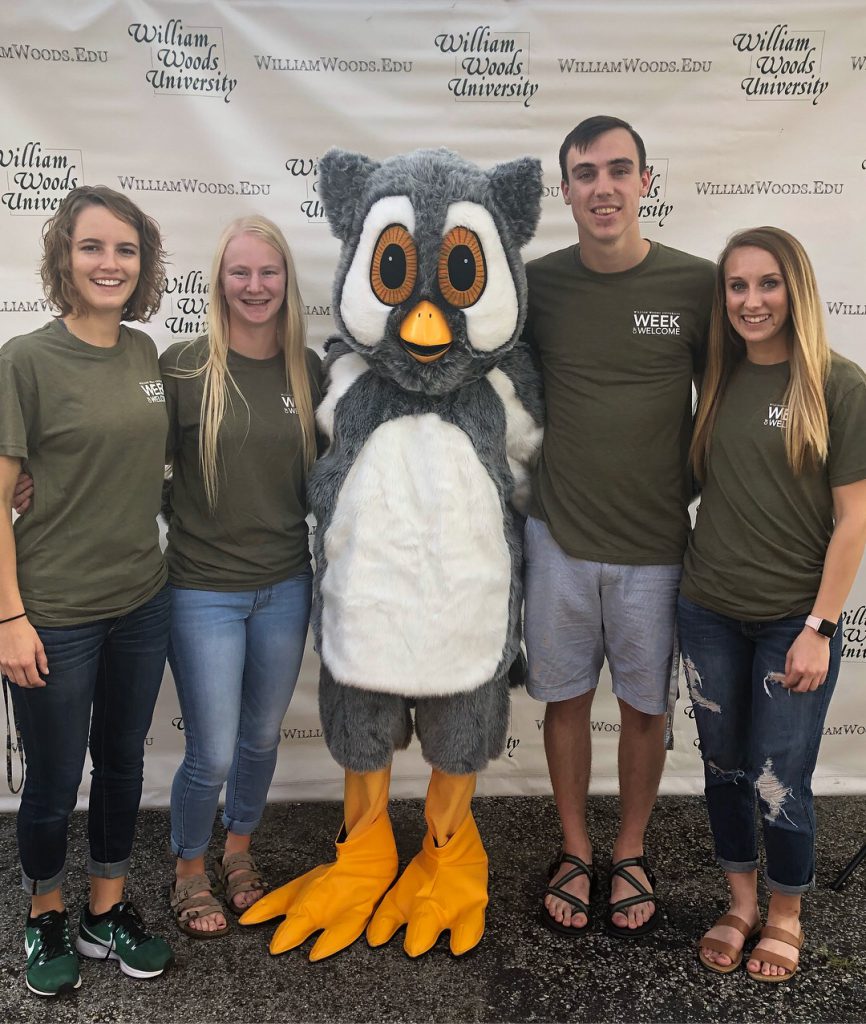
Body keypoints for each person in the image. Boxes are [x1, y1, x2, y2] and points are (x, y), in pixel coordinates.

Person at [523, 115, 715, 937]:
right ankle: (575, 848)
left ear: (645, 181)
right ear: (564, 190)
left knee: (645, 708)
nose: (603, 187)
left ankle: (629, 850)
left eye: (618, 170)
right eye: (585, 173)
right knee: (564, 700)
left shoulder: (699, 285)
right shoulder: (533, 286)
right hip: (556, 537)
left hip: (657, 547)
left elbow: (735, 401)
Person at [677, 226, 866, 981]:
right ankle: (742, 902)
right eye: (737, 286)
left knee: (778, 772)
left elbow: (856, 518)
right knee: (724, 767)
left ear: (796, 288)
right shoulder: (718, 379)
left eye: (768, 283)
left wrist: (819, 626)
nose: (752, 301)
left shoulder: (838, 384)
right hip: (708, 610)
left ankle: (786, 913)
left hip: (796, 619)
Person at [0, 186, 174, 996]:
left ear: (143, 266)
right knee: (53, 775)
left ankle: (107, 906)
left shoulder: (144, 354)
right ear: (64, 258)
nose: (110, 264)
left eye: (126, 251)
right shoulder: (25, 360)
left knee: (124, 763)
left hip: (142, 598)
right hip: (55, 613)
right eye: (93, 247)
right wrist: (8, 616)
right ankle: (44, 913)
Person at [161, 216, 322, 938]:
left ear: (286, 280)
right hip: (202, 590)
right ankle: (189, 870)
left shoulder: (308, 371)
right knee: (213, 749)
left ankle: (239, 853)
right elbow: (129, 458)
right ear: (218, 281)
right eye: (240, 272)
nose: (254, 287)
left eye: (268, 272)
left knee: (260, 739)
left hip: (286, 585)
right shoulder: (184, 368)